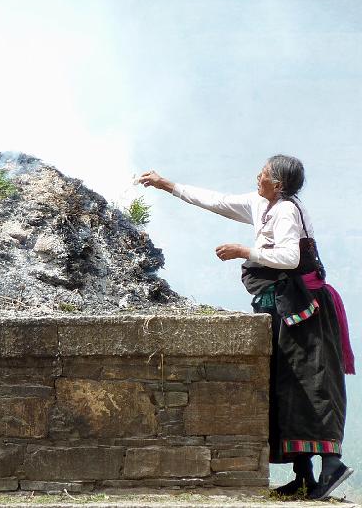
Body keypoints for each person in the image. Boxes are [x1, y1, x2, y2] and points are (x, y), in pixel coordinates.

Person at [138, 155, 354, 500]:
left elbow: (289, 259)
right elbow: (218, 201)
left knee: (310, 381)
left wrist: (244, 250)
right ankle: (303, 476)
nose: (258, 176)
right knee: (283, 383)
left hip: (303, 309)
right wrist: (168, 185)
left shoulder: (285, 211)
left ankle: (331, 465)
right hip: (281, 305)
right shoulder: (262, 203)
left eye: (264, 173)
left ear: (278, 184)